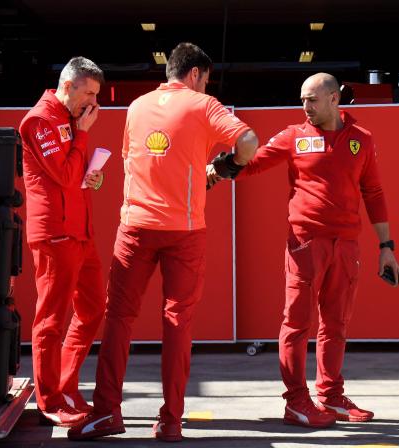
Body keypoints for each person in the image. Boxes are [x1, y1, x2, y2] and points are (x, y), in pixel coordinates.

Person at [68, 42, 258, 442]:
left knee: (118, 319)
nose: (206, 88)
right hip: (185, 230)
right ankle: (170, 421)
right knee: (177, 323)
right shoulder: (203, 105)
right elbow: (248, 142)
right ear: (195, 75)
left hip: (136, 225)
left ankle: (106, 413)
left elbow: (131, 159)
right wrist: (227, 167)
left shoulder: (136, 107)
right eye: (205, 81)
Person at [209, 73, 399, 429]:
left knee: (336, 323)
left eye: (312, 100)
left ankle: (330, 396)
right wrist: (222, 167)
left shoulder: (361, 140)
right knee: (296, 323)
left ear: (334, 99)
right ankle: (296, 401)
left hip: (346, 245)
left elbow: (373, 193)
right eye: (302, 100)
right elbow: (253, 163)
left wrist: (386, 247)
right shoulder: (294, 136)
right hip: (305, 243)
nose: (305, 107)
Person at [19, 56, 107, 427]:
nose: (93, 103)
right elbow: (66, 176)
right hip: (55, 233)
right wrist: (84, 135)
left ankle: (66, 385)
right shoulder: (40, 120)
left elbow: (74, 177)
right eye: (88, 93)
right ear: (68, 85)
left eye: (96, 95)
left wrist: (93, 175)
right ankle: (50, 399)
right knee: (51, 320)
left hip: (80, 232)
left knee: (92, 309)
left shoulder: (69, 120)